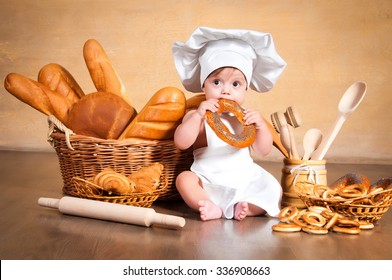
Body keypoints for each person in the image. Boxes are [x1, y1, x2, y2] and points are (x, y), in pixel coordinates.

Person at [171, 26, 286, 221]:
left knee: (274, 189)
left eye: (235, 84)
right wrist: (199, 115)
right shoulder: (197, 115)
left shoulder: (246, 119)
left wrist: (261, 126)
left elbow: (263, 150)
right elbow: (181, 142)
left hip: (244, 178)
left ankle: (246, 207)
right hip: (207, 181)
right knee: (184, 180)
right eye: (217, 82)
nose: (226, 91)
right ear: (203, 85)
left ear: (246, 89)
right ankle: (211, 205)